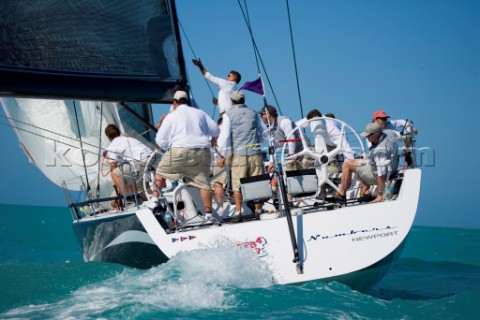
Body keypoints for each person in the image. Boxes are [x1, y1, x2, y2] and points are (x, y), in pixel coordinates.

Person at [153, 90, 220, 217]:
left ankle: (155, 201)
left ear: (174, 103)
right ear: (188, 102)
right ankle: (209, 215)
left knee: (160, 172)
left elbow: (160, 140)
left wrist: (160, 144)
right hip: (202, 151)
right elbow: (216, 130)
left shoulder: (171, 116)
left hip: (179, 151)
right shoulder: (200, 113)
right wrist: (214, 140)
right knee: (204, 184)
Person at [216, 90, 267, 222]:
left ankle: (238, 213)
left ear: (232, 101)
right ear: (243, 100)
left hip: (239, 154)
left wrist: (222, 154)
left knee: (237, 184)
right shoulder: (253, 113)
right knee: (256, 182)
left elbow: (225, 136)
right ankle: (258, 210)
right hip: (255, 153)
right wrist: (256, 143)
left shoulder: (229, 114)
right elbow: (264, 132)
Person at [334, 122, 398, 203]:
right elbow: (405, 136)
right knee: (360, 162)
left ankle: (341, 195)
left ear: (376, 134)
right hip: (391, 168)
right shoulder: (390, 133)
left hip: (381, 176)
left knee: (347, 164)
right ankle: (366, 193)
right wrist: (407, 147)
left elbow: (381, 174)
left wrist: (380, 195)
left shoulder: (380, 151)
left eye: (368, 135)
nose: (366, 138)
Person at [104, 124, 154, 201]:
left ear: (108, 137)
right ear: (119, 132)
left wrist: (108, 160)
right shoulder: (129, 139)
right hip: (152, 158)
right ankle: (135, 196)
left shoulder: (113, 145)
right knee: (127, 170)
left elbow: (113, 165)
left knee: (114, 173)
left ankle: (129, 200)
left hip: (140, 162)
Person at [258, 105, 303, 172]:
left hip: (302, 152)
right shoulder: (269, 129)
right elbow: (272, 147)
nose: (260, 117)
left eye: (262, 114)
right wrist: (272, 162)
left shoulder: (284, 121)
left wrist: (291, 156)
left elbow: (291, 138)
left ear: (268, 115)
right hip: (291, 155)